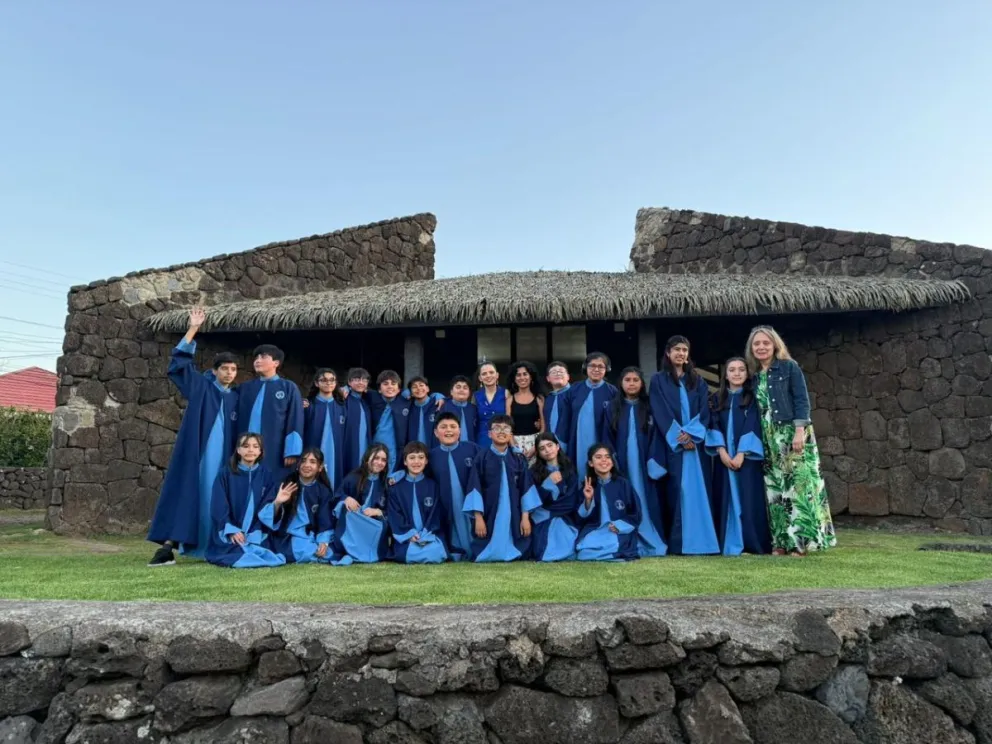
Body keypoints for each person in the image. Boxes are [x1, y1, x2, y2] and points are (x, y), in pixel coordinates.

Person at [148, 307, 240, 566]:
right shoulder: (201, 386)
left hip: (225, 460)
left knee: (218, 498)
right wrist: (193, 329)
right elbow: (179, 365)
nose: (230, 373)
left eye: (234, 369)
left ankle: (216, 543)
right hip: (197, 455)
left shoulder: (236, 396)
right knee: (190, 493)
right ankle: (169, 545)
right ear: (215, 370)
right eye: (225, 369)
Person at [746, 325, 836, 555]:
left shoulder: (789, 368)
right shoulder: (756, 377)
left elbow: (801, 401)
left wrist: (798, 432)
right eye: (756, 344)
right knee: (776, 491)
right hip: (769, 439)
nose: (761, 347)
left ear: (775, 344)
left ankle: (802, 543)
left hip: (791, 434)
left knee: (798, 488)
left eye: (766, 343)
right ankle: (782, 542)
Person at [649, 336, 720, 555]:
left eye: (684, 350)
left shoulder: (697, 381)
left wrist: (692, 435)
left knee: (700, 492)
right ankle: (680, 544)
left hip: (695, 447)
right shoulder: (658, 380)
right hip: (674, 447)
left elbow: (703, 411)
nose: (681, 353)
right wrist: (680, 437)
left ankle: (705, 542)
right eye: (677, 350)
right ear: (668, 353)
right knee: (677, 492)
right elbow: (660, 410)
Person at [706, 358, 771, 555]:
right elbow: (713, 423)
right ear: (725, 375)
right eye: (732, 370)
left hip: (747, 458)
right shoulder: (716, 399)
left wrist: (742, 453)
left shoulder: (752, 399)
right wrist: (722, 452)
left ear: (746, 373)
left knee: (748, 497)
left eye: (741, 370)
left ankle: (751, 542)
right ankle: (727, 541)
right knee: (725, 497)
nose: (736, 373)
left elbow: (753, 424)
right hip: (723, 458)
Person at [603, 366, 667, 557]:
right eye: (627, 380)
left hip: (644, 464)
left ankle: (649, 537)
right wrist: (612, 459)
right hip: (621, 463)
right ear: (621, 383)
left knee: (646, 500)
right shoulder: (612, 407)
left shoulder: (649, 407)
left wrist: (653, 461)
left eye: (635, 380)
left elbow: (657, 436)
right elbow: (606, 435)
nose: (631, 383)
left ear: (642, 384)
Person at [206, 433, 288, 568]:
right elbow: (218, 505)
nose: (250, 450)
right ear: (238, 450)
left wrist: (278, 502)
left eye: (255, 447)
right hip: (231, 532)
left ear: (260, 451)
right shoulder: (225, 474)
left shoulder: (266, 475)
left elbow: (266, 508)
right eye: (246, 446)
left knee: (270, 556)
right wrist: (231, 530)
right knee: (235, 555)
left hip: (256, 533)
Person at [463, 415, 537, 562]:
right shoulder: (481, 457)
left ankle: (513, 551)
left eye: (506, 428)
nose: (501, 431)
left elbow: (526, 488)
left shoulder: (518, 458)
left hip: (514, 512)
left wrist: (525, 517)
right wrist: (478, 518)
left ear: (511, 434)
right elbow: (474, 488)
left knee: (521, 543)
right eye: (497, 428)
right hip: (490, 511)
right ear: (490, 433)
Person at [236, 344, 304, 478]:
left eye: (263, 357)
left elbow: (295, 418)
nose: (257, 360)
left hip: (275, 446)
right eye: (256, 357)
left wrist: (292, 451)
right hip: (245, 449)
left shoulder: (288, 387)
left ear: (276, 363)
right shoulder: (245, 388)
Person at [258, 447, 335, 563]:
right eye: (303, 461)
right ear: (298, 465)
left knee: (327, 552)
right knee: (307, 552)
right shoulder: (284, 485)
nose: (306, 465)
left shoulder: (323, 491)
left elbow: (325, 519)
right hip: (285, 537)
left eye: (312, 462)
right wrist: (278, 502)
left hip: (309, 536)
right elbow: (265, 516)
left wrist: (324, 541)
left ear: (320, 468)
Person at [428, 412, 481, 561]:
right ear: (436, 433)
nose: (449, 430)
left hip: (471, 505)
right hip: (445, 508)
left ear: (460, 431)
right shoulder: (431, 456)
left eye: (453, 426)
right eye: (443, 427)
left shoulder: (472, 449)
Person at [575, 444, 641, 561]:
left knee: (613, 545)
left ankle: (612, 554)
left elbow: (636, 513)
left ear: (612, 461)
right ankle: (610, 555)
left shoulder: (623, 484)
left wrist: (620, 526)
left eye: (607, 457)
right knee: (583, 552)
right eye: (598, 457)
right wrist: (588, 499)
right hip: (596, 530)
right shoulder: (588, 486)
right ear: (591, 463)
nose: (604, 460)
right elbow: (580, 518)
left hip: (617, 530)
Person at [387, 442, 450, 564]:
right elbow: (395, 515)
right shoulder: (396, 488)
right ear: (405, 462)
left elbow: (436, 514)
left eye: (421, 457)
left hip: (429, 535)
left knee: (436, 552)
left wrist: (426, 534)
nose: (417, 462)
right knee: (406, 554)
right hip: (406, 538)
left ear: (426, 461)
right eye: (412, 458)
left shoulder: (433, 485)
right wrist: (409, 535)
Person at [329, 444, 391, 565]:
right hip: (355, 523)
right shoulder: (353, 477)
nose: (379, 462)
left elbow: (392, 510)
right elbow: (336, 498)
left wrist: (378, 512)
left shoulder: (386, 483)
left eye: (383, 460)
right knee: (346, 511)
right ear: (368, 458)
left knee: (381, 524)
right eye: (376, 458)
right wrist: (346, 499)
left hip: (373, 524)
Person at [527, 433, 579, 562]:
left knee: (568, 541)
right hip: (541, 520)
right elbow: (533, 500)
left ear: (557, 446)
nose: (547, 450)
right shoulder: (533, 472)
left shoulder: (569, 470)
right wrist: (547, 484)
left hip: (563, 516)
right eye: (542, 448)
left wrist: (549, 512)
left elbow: (571, 501)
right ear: (538, 453)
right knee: (543, 550)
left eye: (550, 445)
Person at [567, 352, 618, 467]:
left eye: (600, 366)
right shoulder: (575, 389)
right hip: (577, 440)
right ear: (586, 368)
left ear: (607, 369)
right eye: (592, 366)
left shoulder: (612, 391)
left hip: (602, 439)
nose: (596, 369)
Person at [303, 368, 347, 490]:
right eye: (324, 380)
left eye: (332, 380)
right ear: (317, 383)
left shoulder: (341, 407)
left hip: (335, 454)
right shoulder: (308, 406)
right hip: (312, 451)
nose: (329, 383)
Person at [366, 370, 411, 472]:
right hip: (374, 447)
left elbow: (424, 395)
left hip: (395, 449)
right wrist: (345, 388)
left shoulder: (406, 401)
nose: (390, 386)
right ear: (379, 389)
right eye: (385, 384)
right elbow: (357, 390)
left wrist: (438, 396)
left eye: (393, 384)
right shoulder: (371, 398)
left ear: (399, 389)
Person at [507, 360, 545, 461]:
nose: (522, 378)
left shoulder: (539, 399)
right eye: (518, 375)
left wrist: (535, 447)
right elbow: (507, 426)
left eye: (525, 374)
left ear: (531, 376)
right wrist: (513, 446)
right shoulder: (509, 400)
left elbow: (543, 427)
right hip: (515, 444)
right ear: (514, 379)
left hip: (536, 444)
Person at [342, 368, 373, 474]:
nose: (361, 382)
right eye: (357, 379)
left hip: (365, 445)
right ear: (349, 382)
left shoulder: (366, 401)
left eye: (364, 380)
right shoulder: (343, 399)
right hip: (347, 445)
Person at [473, 361, 509, 448]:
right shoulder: (475, 396)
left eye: (491, 372)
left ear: (497, 375)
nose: (488, 376)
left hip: (502, 438)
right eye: (484, 374)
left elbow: (510, 418)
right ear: (480, 378)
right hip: (482, 440)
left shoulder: (506, 393)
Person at [439, 375, 478, 443]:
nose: (461, 390)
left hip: (472, 449)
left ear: (469, 393)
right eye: (458, 387)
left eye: (465, 388)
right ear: (451, 391)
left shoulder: (474, 409)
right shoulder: (443, 407)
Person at [543, 361, 573, 451]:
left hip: (571, 443)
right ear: (548, 378)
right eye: (554, 372)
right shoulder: (548, 398)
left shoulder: (576, 394)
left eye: (561, 371)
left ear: (568, 377)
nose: (558, 373)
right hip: (549, 447)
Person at [406, 376, 439, 449]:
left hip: (435, 450)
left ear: (427, 389)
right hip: (414, 452)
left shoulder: (437, 404)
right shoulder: (408, 407)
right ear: (411, 392)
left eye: (421, 385)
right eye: (414, 387)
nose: (418, 388)